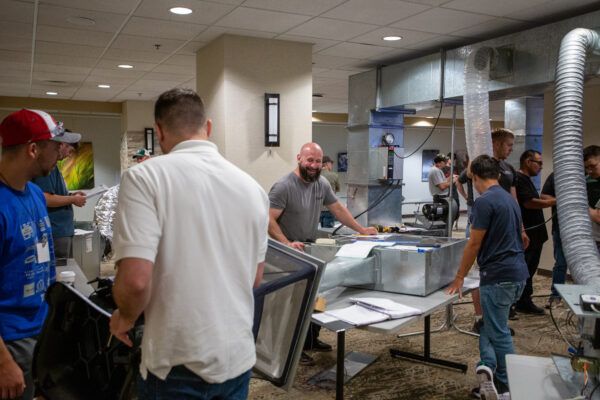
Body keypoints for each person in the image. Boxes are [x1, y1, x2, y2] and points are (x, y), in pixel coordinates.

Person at [109, 89, 268, 399]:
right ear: (207, 127)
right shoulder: (252, 188)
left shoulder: (144, 178)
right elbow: (255, 278)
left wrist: (124, 318)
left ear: (159, 131)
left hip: (176, 359)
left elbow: (136, 281)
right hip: (237, 354)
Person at [268, 142, 377, 365]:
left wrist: (361, 230)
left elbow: (338, 209)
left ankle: (310, 340)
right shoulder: (283, 186)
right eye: (310, 160)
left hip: (309, 249)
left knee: (317, 296)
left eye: (317, 161)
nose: (314, 165)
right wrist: (287, 243)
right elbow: (266, 219)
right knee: (293, 304)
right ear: (299, 158)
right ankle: (291, 352)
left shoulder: (321, 183)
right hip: (287, 253)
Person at [0, 109, 80, 400]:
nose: (62, 151)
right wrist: (3, 363)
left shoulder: (34, 195)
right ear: (33, 149)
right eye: (56, 144)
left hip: (40, 329)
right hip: (9, 342)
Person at [447, 155, 528, 399]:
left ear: (473, 176)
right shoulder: (507, 198)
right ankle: (487, 369)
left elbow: (473, 244)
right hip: (517, 274)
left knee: (499, 332)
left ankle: (505, 386)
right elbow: (520, 236)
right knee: (488, 324)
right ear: (498, 174)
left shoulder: (484, 202)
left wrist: (460, 276)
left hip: (499, 277)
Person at [32, 130, 85, 259]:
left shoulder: (54, 167)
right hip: (55, 232)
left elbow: (54, 193)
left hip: (62, 230)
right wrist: (73, 199)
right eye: (70, 150)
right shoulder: (45, 167)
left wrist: (72, 196)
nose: (68, 155)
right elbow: (45, 198)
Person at [514, 150, 554, 315]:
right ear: (528, 162)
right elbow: (529, 203)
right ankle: (521, 301)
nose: (541, 166)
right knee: (526, 270)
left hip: (536, 235)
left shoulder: (527, 180)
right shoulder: (519, 179)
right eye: (539, 162)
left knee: (530, 270)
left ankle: (524, 300)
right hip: (528, 236)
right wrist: (553, 202)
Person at [540, 172, 567, 307]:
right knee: (561, 263)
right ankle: (555, 296)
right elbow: (544, 196)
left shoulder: (588, 174)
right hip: (560, 226)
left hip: (586, 229)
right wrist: (560, 199)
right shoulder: (557, 175)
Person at [585, 145, 600, 251]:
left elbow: (598, 218)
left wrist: (577, 199)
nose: (589, 171)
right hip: (591, 238)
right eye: (586, 167)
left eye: (593, 166)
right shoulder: (587, 180)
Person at [319, 155, 340, 228]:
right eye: (331, 163)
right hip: (330, 208)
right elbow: (337, 189)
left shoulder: (315, 176)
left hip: (318, 209)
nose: (331, 165)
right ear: (327, 164)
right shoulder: (334, 175)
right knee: (328, 233)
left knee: (320, 232)